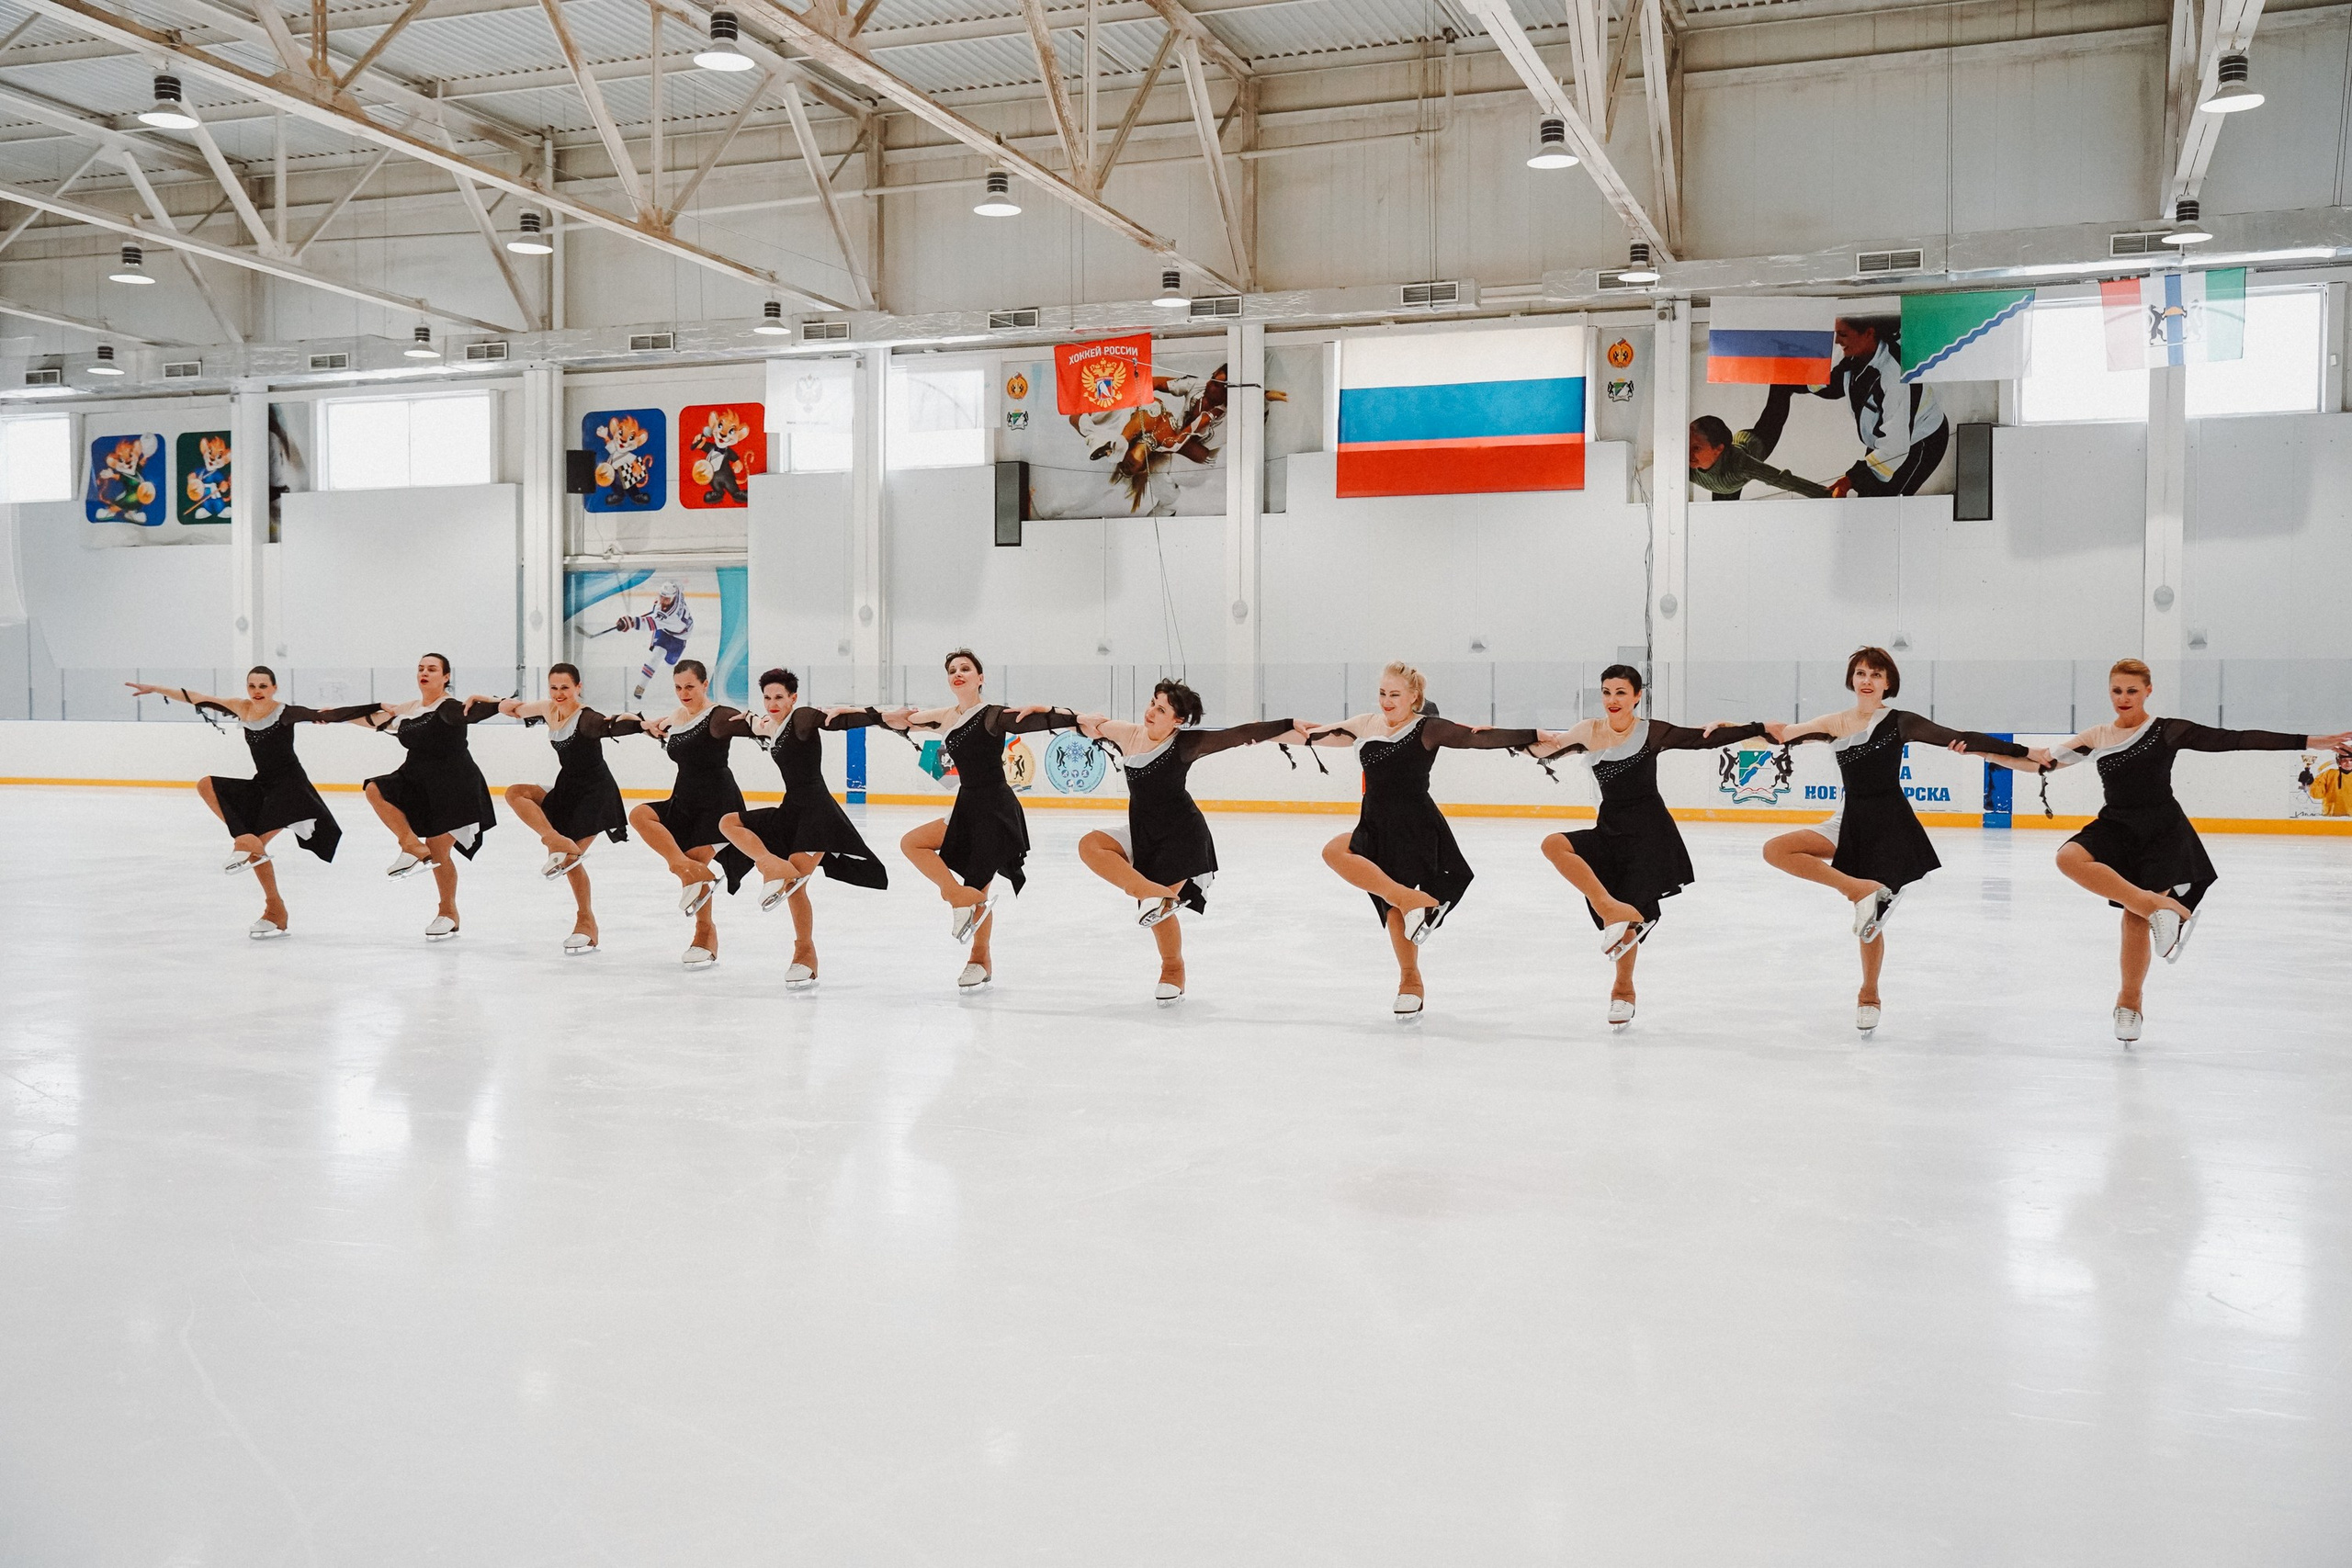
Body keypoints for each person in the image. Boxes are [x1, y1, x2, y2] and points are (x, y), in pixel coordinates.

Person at [2030, 659, 2349, 1043]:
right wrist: (1980, 751)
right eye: (2117, 690)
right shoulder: (2097, 736)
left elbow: (2233, 739)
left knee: (2133, 920)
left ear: (2148, 691)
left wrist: (2307, 742)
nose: (2124, 698)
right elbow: (2039, 761)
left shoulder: (2167, 731)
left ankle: (2129, 1005)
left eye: (2132, 690)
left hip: (2163, 829)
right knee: (2068, 858)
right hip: (2116, 825)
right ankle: (2164, 909)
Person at [1760, 647, 2030, 1032]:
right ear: (1852, 679)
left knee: (1872, 925)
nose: (1867, 680)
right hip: (1846, 819)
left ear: (1888, 683)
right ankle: (1859, 890)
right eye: (1860, 673)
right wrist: (1734, 728)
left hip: (1886, 823)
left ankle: (1869, 994)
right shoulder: (1835, 723)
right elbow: (1782, 735)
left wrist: (2023, 752)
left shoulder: (1900, 721)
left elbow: (1959, 737)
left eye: (1875, 674)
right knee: (1777, 849)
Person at [1296, 662, 1562, 1019]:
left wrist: (1530, 734)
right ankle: (1414, 902)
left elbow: (1475, 738)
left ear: (1413, 697)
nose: (1387, 701)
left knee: (1392, 907)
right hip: (1374, 823)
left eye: (1395, 695)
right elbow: (1310, 735)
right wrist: (1280, 729)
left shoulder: (1427, 728)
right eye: (1382, 694)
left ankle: (1410, 980)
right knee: (1338, 855)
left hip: (1414, 824)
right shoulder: (1366, 724)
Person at [1532, 666, 1770, 1026]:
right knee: (1554, 845)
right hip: (1609, 829)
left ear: (1637, 696)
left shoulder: (1650, 731)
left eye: (1621, 693)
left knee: (1628, 924)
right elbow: (1545, 749)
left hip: (1649, 835)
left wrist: (1753, 728)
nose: (1613, 700)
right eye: (1607, 692)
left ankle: (1623, 990)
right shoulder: (1589, 731)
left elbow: (1700, 740)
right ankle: (1608, 907)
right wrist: (1509, 736)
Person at [1070, 680, 1300, 1003]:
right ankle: (1151, 893)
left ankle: (1173, 970)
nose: (1151, 711)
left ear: (1177, 720)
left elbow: (1238, 733)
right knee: (1090, 846)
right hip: (1143, 830)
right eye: (1153, 703)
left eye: (1161, 709)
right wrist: (1055, 714)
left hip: (1182, 835)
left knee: (1159, 913)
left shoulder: (1185, 744)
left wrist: (1288, 725)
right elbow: (1082, 722)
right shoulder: (1127, 733)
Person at [122, 669, 378, 939]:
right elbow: (197, 697)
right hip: (264, 785)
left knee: (257, 847)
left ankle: (272, 905)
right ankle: (260, 875)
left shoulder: (285, 712)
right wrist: (158, 689)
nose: (257, 690)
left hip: (291, 789)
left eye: (263, 686)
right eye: (252, 685)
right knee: (207, 785)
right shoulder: (241, 708)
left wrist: (379, 708)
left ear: (274, 688)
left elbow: (330, 715)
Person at [874, 649, 1075, 991]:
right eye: (952, 670)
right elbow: (905, 721)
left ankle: (979, 960)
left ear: (980, 678)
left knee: (979, 885)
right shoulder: (948, 716)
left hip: (994, 805)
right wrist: (886, 714)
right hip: (966, 803)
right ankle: (957, 897)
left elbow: (1042, 721)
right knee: (914, 843)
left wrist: (1055, 712)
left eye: (966, 668)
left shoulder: (994, 715)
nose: (958, 673)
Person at [716, 667, 890, 989]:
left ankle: (804, 953)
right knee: (729, 822)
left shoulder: (802, 717)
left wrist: (875, 715)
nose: (772, 702)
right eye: (767, 697)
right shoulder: (773, 726)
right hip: (791, 809)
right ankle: (771, 865)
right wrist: (746, 720)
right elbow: (755, 725)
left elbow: (837, 722)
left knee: (797, 882)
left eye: (779, 697)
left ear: (793, 698)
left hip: (817, 813)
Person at [496, 662, 647, 956]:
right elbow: (516, 710)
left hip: (595, 794)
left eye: (565, 687)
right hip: (566, 788)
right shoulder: (548, 708)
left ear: (578, 687)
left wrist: (641, 723)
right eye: (554, 687)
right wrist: (492, 701)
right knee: (516, 793)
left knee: (570, 861)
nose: (559, 693)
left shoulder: (587, 718)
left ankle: (586, 922)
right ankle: (552, 838)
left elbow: (610, 725)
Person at [352, 653, 502, 942]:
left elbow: (471, 713)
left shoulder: (450, 707)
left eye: (432, 669)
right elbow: (373, 720)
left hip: (455, 786)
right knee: (374, 789)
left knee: (438, 847)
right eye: (421, 668)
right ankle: (410, 845)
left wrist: (494, 701)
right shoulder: (409, 708)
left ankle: (448, 912)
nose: (425, 673)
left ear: (446, 676)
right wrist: (332, 715)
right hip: (418, 780)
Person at [631, 659, 759, 969]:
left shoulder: (717, 716)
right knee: (639, 815)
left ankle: (705, 933)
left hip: (718, 802)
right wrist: (646, 726)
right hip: (684, 798)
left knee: (697, 856)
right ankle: (681, 867)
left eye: (690, 686)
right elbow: (659, 727)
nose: (683, 692)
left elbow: (742, 721)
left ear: (705, 684)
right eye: (678, 687)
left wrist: (762, 723)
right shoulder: (678, 716)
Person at [1815, 316, 1949, 497]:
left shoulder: (1895, 374)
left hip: (1920, 438)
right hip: (1887, 434)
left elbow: (1895, 447)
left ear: (1869, 333)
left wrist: (1849, 480)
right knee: (1869, 494)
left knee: (1885, 502)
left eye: (1843, 334)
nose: (1837, 340)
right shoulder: (1854, 352)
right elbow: (1834, 385)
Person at [1688, 385, 1831, 501]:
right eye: (1687, 444)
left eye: (1696, 448)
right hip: (1726, 476)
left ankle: (1786, 383)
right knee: (1722, 510)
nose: (1688, 454)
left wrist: (1827, 494)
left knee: (1779, 398)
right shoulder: (1685, 464)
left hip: (1756, 442)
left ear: (1717, 449)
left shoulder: (1741, 465)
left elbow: (1780, 479)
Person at [618, 579, 692, 708]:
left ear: (673, 598)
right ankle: (641, 686)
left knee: (671, 663)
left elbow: (648, 623)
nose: (663, 601)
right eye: (661, 597)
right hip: (664, 631)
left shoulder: (670, 615)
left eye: (666, 599)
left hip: (680, 636)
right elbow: (678, 584)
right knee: (656, 656)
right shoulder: (677, 590)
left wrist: (630, 622)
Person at [2302, 744, 2352, 817]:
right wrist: (2311, 782)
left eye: (2351, 760)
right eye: (2344, 760)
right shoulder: (2328, 774)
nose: (2348, 763)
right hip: (2332, 816)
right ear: (2339, 761)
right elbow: (2317, 795)